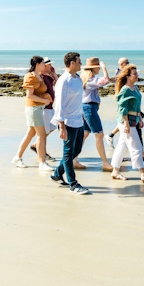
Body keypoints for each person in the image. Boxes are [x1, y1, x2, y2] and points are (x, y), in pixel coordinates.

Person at [49, 52, 90, 195]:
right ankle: (73, 184)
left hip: (78, 120)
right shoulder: (63, 81)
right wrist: (61, 126)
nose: (81, 64)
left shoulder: (77, 78)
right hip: (67, 122)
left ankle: (56, 173)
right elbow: (58, 104)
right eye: (79, 61)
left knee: (77, 150)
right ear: (72, 63)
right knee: (68, 154)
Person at [110, 64, 144, 182]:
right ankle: (143, 174)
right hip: (126, 122)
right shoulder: (125, 90)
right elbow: (122, 108)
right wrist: (126, 123)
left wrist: (140, 119)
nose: (137, 75)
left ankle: (115, 171)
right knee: (136, 147)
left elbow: (137, 106)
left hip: (133, 120)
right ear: (127, 76)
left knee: (121, 146)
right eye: (134, 74)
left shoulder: (135, 88)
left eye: (137, 73)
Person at [12, 55, 54, 171]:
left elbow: (40, 91)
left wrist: (45, 98)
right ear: (37, 64)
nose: (44, 65)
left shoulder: (39, 76)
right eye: (42, 64)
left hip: (38, 108)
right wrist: (44, 100)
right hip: (33, 108)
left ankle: (17, 157)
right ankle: (42, 163)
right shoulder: (30, 77)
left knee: (30, 134)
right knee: (41, 135)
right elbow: (29, 95)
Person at [77, 57, 113, 171]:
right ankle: (105, 163)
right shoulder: (91, 80)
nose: (99, 69)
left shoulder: (86, 79)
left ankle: (73, 160)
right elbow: (106, 80)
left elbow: (106, 80)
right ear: (94, 68)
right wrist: (104, 67)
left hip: (86, 108)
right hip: (89, 108)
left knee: (85, 134)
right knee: (99, 135)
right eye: (98, 67)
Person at [30, 57, 57, 161]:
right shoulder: (41, 77)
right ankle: (42, 152)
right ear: (44, 66)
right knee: (43, 132)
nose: (51, 66)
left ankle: (36, 145)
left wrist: (53, 74)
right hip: (44, 108)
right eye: (49, 65)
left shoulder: (48, 77)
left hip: (50, 107)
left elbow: (57, 84)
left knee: (53, 126)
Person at [103, 57, 129, 148]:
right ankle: (111, 135)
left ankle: (117, 137)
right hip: (123, 100)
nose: (129, 64)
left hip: (124, 100)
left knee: (125, 119)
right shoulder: (121, 74)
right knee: (124, 120)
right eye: (127, 62)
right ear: (122, 64)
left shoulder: (121, 72)